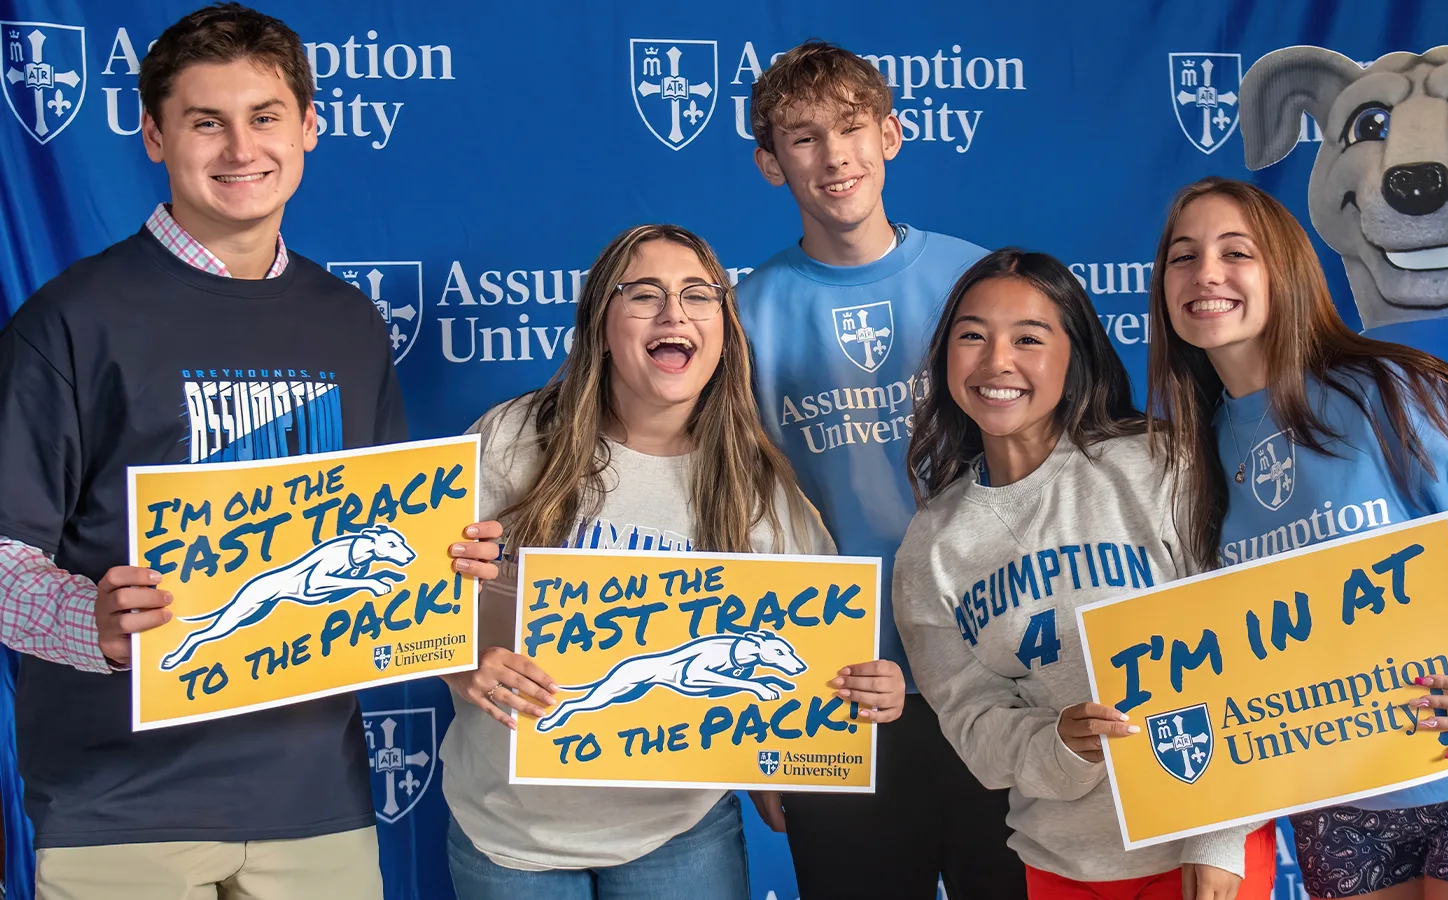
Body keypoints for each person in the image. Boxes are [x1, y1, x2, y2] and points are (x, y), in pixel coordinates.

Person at [0, 5, 501, 897]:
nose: (241, 149)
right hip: (121, 808)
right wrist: (93, 628)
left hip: (317, 798)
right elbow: (5, 559)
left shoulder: (347, 321)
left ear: (309, 126)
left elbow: (391, 523)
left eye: (264, 117)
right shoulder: (71, 321)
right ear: (154, 136)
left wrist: (449, 566)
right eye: (205, 122)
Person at [1146, 176, 1448, 899]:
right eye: (1182, 256)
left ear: (1286, 272)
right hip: (1342, 794)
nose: (1206, 274)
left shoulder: (1389, 392)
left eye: (1237, 252)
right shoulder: (1186, 453)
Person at [438, 223, 905, 900]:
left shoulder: (760, 485)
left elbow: (820, 655)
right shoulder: (512, 438)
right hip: (510, 832)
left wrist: (864, 693)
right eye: (645, 296)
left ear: (723, 326)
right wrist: (467, 662)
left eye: (697, 295)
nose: (674, 314)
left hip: (679, 832)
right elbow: (416, 600)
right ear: (601, 323)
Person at [893, 248, 1276, 900]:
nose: (997, 362)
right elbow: (975, 724)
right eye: (972, 337)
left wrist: (1220, 837)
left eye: (1029, 339)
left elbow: (1248, 650)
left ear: (1075, 358)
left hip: (1204, 847)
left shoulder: (1159, 465)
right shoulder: (930, 548)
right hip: (1064, 865)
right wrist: (1061, 748)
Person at [737, 40, 1024, 899]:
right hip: (840, 686)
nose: (834, 158)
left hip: (993, 665)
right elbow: (738, 512)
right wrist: (761, 733)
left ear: (892, 134)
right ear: (769, 163)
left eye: (851, 128)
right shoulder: (745, 312)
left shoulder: (975, 279)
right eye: (802, 138)